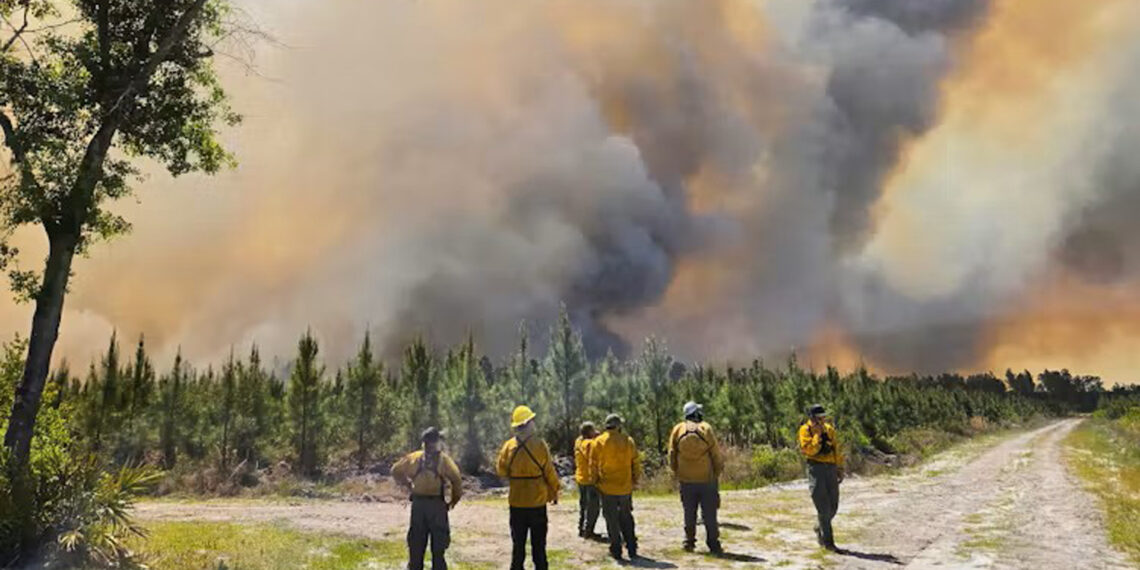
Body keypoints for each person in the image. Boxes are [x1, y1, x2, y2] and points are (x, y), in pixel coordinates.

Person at [496, 405, 560, 570]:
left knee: (518, 545)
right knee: (539, 546)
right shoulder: (540, 445)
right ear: (529, 423)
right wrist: (554, 490)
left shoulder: (508, 446)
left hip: (516, 502)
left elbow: (501, 470)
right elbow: (549, 471)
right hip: (537, 502)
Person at [391, 426, 464, 570]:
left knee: (416, 546)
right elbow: (457, 480)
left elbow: (395, 470)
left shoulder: (414, 458)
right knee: (438, 547)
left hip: (418, 506)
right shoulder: (444, 460)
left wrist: (408, 485)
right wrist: (453, 501)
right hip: (437, 506)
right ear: (437, 442)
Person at [668, 401, 725, 555]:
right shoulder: (706, 428)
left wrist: (677, 472)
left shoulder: (677, 429)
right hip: (707, 480)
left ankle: (689, 542)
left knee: (689, 512)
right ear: (696, 413)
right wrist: (716, 473)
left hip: (686, 480)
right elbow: (716, 455)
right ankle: (713, 544)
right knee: (710, 514)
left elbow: (672, 454)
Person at [592, 413, 642, 561]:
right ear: (618, 426)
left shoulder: (599, 442)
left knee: (611, 519)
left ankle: (616, 549)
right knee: (626, 516)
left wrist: (595, 482)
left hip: (607, 487)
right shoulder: (628, 441)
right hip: (625, 487)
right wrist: (635, 479)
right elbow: (636, 463)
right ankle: (632, 547)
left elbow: (593, 465)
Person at [798, 404, 845, 551]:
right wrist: (817, 435)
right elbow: (810, 451)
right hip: (816, 468)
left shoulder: (829, 429)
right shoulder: (805, 430)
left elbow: (836, 448)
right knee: (823, 507)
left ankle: (819, 527)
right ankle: (828, 543)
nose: (823, 419)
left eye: (823, 417)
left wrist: (839, 467)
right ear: (812, 418)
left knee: (833, 506)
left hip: (830, 468)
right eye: (820, 417)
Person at [574, 421, 602, 540]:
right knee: (593, 507)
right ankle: (588, 531)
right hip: (590, 479)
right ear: (589, 432)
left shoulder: (578, 441)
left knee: (583, 505)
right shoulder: (591, 444)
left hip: (581, 478)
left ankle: (581, 528)